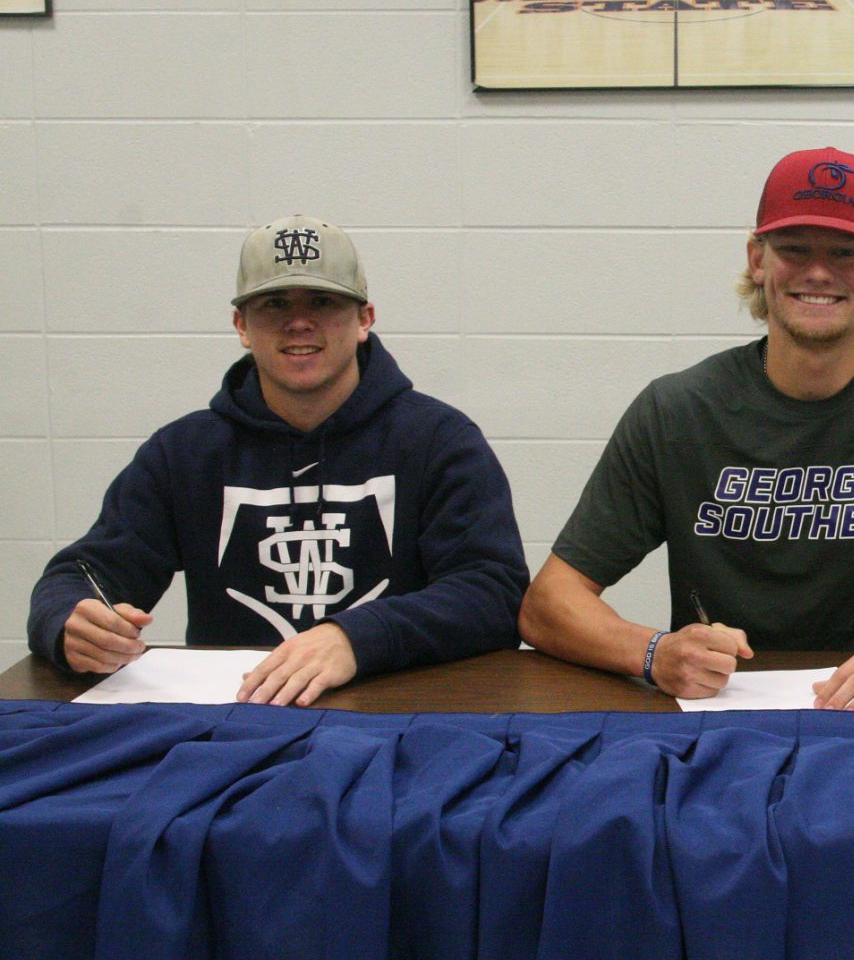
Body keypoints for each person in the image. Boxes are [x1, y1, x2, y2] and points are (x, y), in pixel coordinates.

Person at [519, 147, 854, 711]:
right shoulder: (678, 411)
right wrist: (653, 651)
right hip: (726, 721)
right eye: (792, 250)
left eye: (846, 253)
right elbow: (549, 603)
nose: (817, 272)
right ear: (757, 260)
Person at [27, 214, 530, 706]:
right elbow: (82, 572)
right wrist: (69, 621)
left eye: (322, 300)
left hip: (398, 718)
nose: (298, 321)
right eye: (273, 304)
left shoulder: (439, 440)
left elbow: (493, 594)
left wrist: (356, 638)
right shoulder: (183, 453)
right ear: (241, 325)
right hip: (234, 718)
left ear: (364, 319)